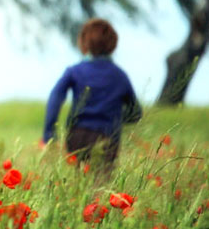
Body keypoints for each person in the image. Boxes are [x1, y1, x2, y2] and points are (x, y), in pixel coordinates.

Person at [42, 18, 142, 168]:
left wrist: (49, 133)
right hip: (108, 137)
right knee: (102, 183)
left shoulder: (74, 71)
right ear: (112, 44)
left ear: (84, 43)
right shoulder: (120, 76)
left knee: (79, 181)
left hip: (77, 136)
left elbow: (55, 98)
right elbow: (136, 113)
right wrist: (114, 118)